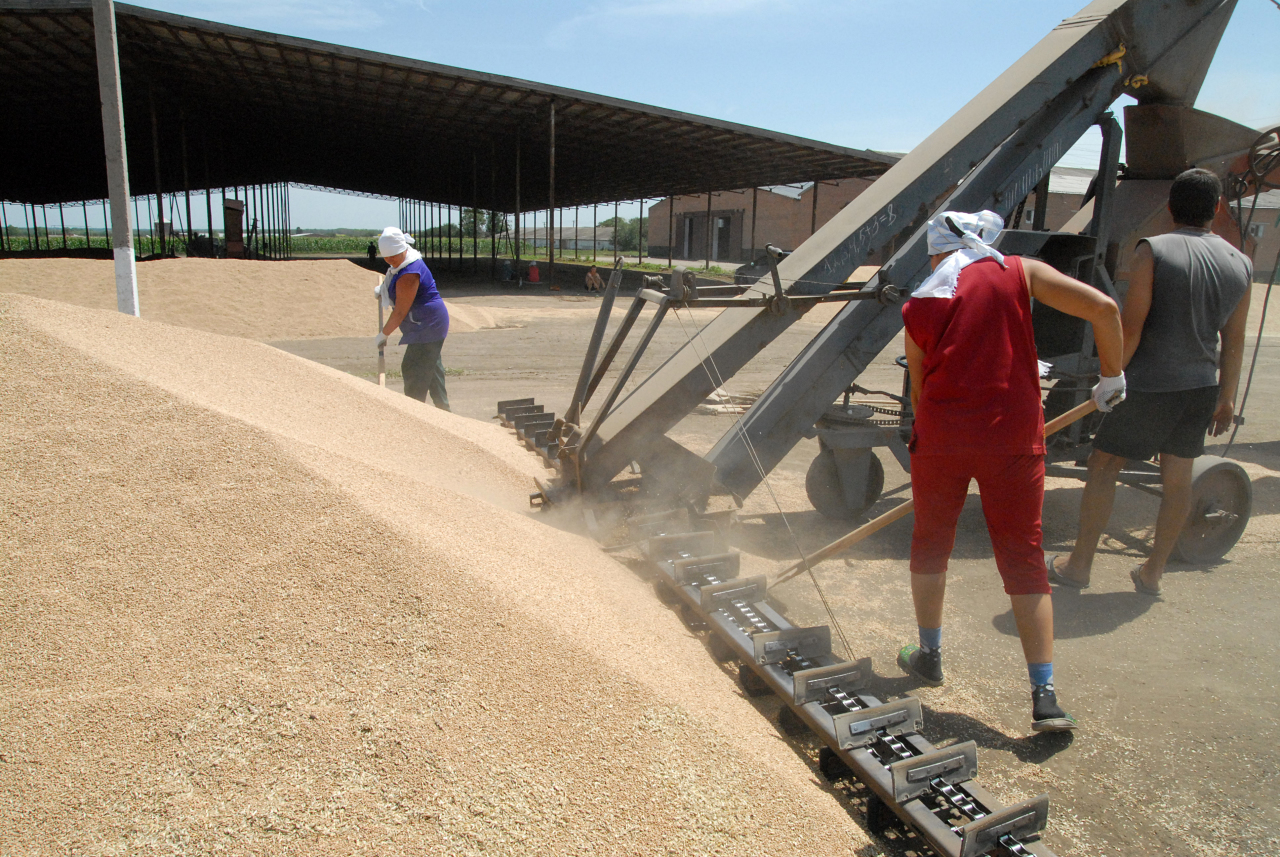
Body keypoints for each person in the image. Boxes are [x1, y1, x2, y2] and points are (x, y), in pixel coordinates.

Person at [897, 209, 1124, 732]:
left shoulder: (920, 302)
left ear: (936, 253)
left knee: (930, 542)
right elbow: (1105, 309)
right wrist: (1112, 377)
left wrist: (939, 433)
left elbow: (918, 385)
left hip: (942, 440)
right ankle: (1045, 696)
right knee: (1023, 557)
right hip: (1013, 441)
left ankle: (928, 655)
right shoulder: (1021, 271)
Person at [1048, 169, 1252, 596]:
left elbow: (1133, 326)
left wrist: (1110, 378)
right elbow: (1233, 340)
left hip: (1151, 384)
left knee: (1103, 465)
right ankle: (1152, 573)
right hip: (1201, 388)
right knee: (1178, 480)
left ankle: (1078, 566)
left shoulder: (1154, 250)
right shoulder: (1241, 263)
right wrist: (1227, 397)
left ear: (1170, 208)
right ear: (1216, 208)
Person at [374, 227, 451, 410]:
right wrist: (384, 291)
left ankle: (414, 413)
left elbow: (400, 311)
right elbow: (394, 282)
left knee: (413, 369)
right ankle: (445, 411)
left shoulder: (410, 271)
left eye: (394, 255)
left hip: (428, 325)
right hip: (423, 324)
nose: (390, 260)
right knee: (431, 370)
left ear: (403, 249)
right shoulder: (401, 265)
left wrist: (384, 334)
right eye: (386, 257)